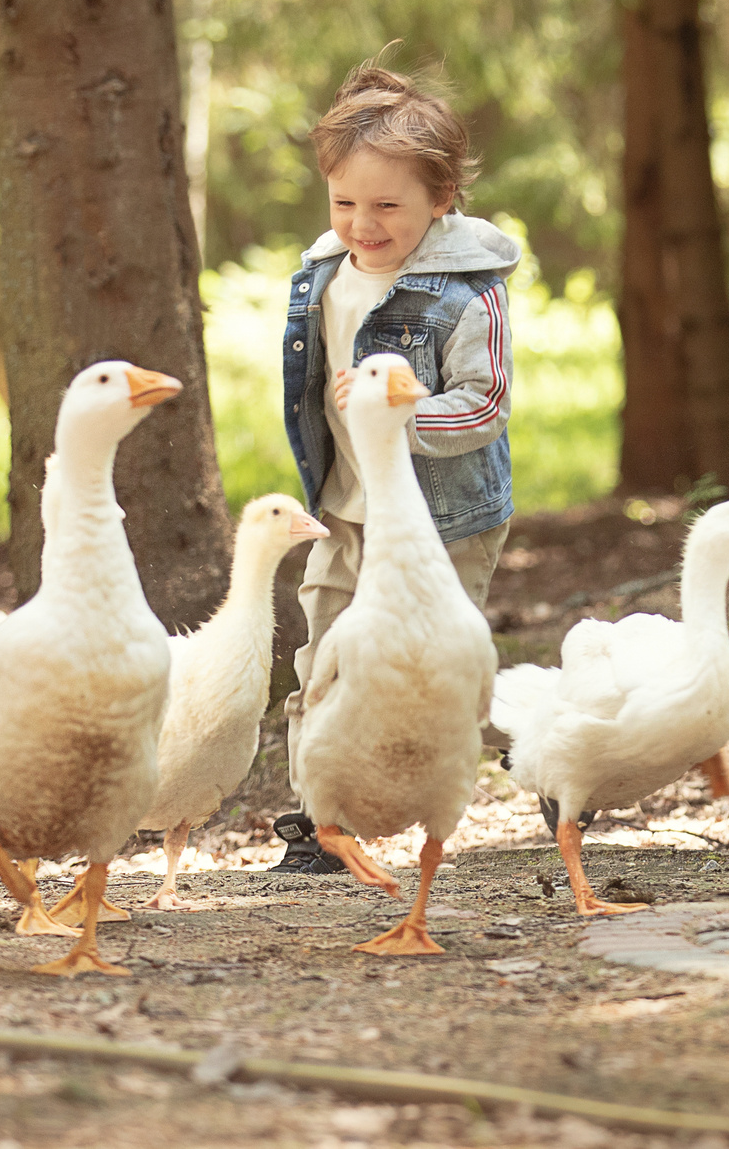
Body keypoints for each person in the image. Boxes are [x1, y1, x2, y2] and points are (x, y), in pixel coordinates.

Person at [269, 56, 519, 873]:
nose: (363, 223)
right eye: (344, 203)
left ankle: (445, 794)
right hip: (343, 509)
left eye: (387, 206)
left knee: (432, 665)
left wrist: (398, 417)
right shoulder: (321, 280)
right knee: (324, 656)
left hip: (441, 517)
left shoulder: (466, 293)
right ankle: (320, 814)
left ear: (440, 200)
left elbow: (486, 406)